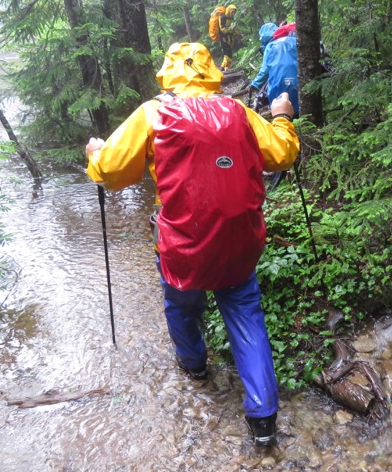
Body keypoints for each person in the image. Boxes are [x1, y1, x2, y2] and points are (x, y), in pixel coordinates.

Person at [85, 42, 299, 448]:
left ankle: (194, 365)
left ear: (168, 72)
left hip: (183, 245)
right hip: (240, 243)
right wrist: (283, 118)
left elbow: (111, 175)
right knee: (245, 312)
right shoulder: (239, 112)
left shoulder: (153, 113)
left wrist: (95, 154)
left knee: (182, 303)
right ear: (211, 71)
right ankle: (264, 420)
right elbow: (283, 155)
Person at [250, 21, 299, 117]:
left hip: (277, 85)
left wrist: (255, 84)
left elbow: (264, 71)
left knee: (280, 112)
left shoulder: (270, 47)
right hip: (298, 81)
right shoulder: (294, 40)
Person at [219, 4, 239, 71]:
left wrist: (238, 33)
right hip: (224, 38)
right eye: (232, 12)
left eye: (234, 12)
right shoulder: (222, 17)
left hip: (230, 38)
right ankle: (227, 67)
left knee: (228, 52)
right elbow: (222, 28)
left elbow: (233, 27)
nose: (233, 14)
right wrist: (230, 30)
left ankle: (223, 67)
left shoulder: (231, 18)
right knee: (227, 52)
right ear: (229, 10)